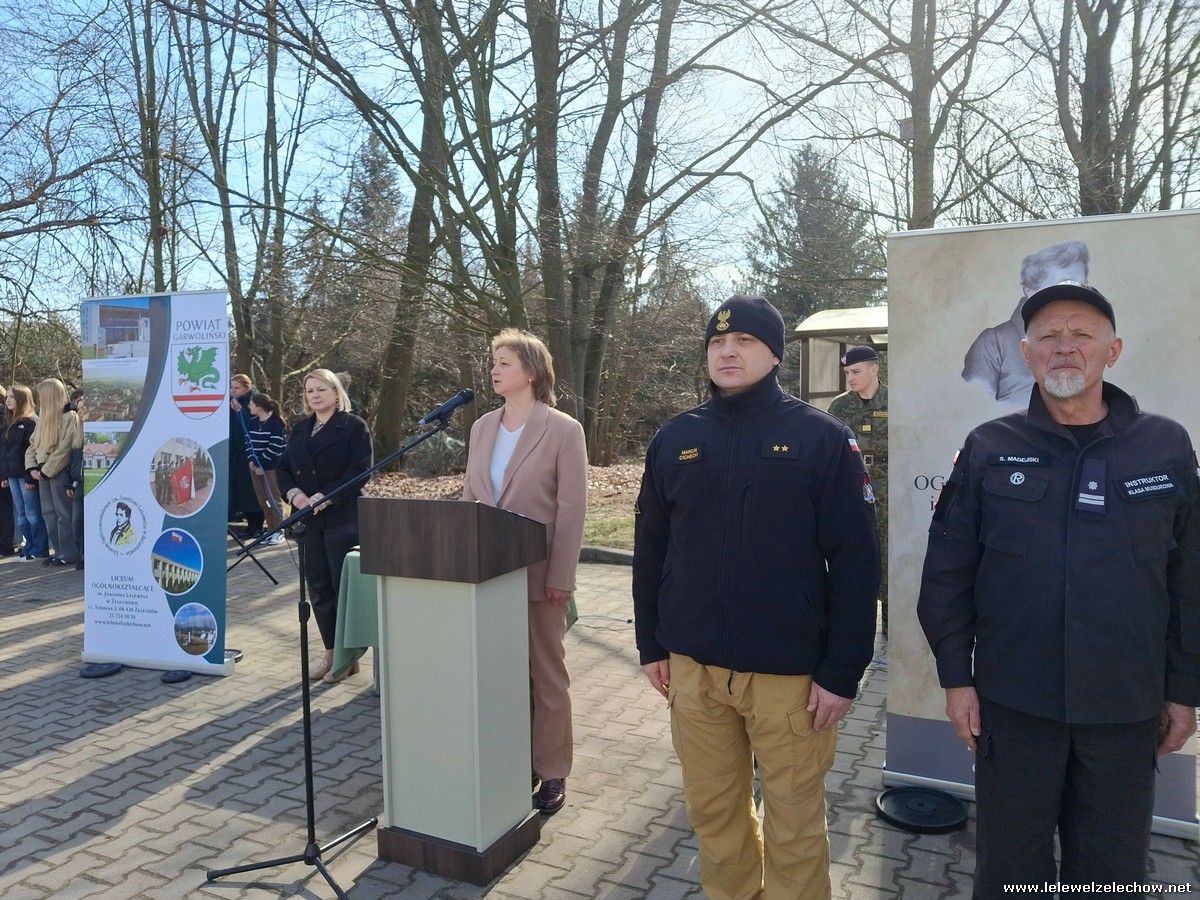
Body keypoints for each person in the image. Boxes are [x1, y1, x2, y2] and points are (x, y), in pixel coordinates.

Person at [918, 280, 1200, 897]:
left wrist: (1184, 690)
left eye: (1082, 334)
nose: (1064, 346)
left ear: (1113, 350)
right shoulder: (990, 447)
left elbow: (1189, 582)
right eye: (1048, 335)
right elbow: (948, 572)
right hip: (1015, 704)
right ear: (1026, 354)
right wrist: (956, 678)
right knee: (1009, 871)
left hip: (1125, 707)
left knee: (1111, 873)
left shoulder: (1166, 446)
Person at [633, 295, 881, 900]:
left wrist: (842, 672)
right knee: (715, 818)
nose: (727, 351)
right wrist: (651, 645)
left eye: (744, 340)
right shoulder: (675, 438)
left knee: (794, 829)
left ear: (774, 355)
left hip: (790, 678)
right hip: (693, 670)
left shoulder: (822, 437)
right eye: (717, 342)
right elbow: (651, 548)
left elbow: (857, 562)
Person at [461, 329, 588, 816]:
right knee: (501, 675)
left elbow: (572, 509)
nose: (494, 369)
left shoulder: (563, 429)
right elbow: (471, 497)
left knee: (546, 677)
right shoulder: (481, 428)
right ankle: (515, 760)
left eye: (504, 362)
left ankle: (553, 770)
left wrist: (561, 577)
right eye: (493, 361)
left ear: (532, 372)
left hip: (539, 575)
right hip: (489, 575)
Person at [277, 369, 372, 683]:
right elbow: (283, 468)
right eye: (309, 391)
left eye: (321, 389)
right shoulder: (300, 428)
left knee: (341, 588)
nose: (314, 396)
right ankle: (331, 654)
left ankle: (348, 657)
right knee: (318, 589)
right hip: (308, 520)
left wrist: (325, 496)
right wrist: (294, 494)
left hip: (342, 518)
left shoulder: (354, 426)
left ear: (336, 392)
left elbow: (360, 470)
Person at [961, 240, 1090, 403]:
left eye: (1082, 286)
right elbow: (975, 403)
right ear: (1030, 290)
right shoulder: (994, 343)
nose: (1076, 295)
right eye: (1064, 285)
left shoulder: (1090, 340)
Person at [828, 345, 889, 636]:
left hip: (889, 486)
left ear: (874, 369)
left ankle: (891, 625)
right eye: (846, 373)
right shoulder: (840, 407)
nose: (850, 378)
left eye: (855, 371)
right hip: (854, 483)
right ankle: (855, 626)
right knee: (856, 552)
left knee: (888, 553)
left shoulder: (895, 400)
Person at [25, 378, 83, 567]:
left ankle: (70, 552)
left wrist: (46, 471)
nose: (39, 399)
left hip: (58, 472)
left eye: (42, 395)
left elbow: (65, 449)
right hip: (41, 472)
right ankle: (58, 551)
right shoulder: (43, 419)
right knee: (48, 513)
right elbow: (32, 446)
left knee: (63, 513)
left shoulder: (70, 417)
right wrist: (32, 467)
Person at [2, 385, 49, 560]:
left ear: (21, 399)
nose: (7, 400)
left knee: (32, 513)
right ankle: (29, 546)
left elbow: (31, 451)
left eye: (11, 397)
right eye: (7, 397)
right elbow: (6, 451)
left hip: (25, 475)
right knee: (21, 514)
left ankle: (40, 548)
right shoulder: (10, 422)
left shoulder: (31, 422)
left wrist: (30, 475)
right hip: (12, 475)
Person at [246, 392, 288, 545]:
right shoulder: (252, 422)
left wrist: (260, 463)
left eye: (251, 404)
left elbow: (275, 447)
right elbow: (248, 442)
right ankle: (270, 529)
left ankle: (279, 530)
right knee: (263, 500)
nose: (249, 407)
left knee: (273, 499)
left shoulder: (276, 423)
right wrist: (251, 460)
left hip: (271, 467)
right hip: (255, 467)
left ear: (259, 407)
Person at [228, 374, 263, 536]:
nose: (233, 391)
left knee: (253, 492)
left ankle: (257, 525)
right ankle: (250, 525)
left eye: (237, 388)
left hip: (251, 453)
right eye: (231, 388)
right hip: (237, 454)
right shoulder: (229, 403)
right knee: (242, 493)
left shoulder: (254, 402)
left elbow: (253, 424)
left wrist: (240, 411)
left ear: (247, 388)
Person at [67, 388, 86, 569]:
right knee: (77, 523)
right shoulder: (78, 432)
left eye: (84, 408)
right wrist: (69, 482)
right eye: (78, 408)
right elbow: (71, 460)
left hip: (94, 483)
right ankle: (82, 556)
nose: (80, 411)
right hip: (78, 484)